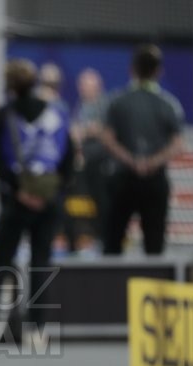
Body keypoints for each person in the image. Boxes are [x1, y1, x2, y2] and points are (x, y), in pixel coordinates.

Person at [0, 59, 74, 344]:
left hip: (15, 200)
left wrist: (19, 190)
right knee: (41, 262)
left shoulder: (3, 115)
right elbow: (69, 156)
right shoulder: (56, 113)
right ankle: (37, 329)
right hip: (49, 200)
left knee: (2, 262)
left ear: (8, 85)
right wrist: (51, 192)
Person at [101, 44, 184, 256]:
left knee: (113, 240)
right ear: (158, 71)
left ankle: (110, 287)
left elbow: (108, 139)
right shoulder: (169, 104)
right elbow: (177, 145)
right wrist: (152, 163)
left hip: (123, 178)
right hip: (155, 181)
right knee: (154, 244)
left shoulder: (117, 101)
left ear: (133, 69)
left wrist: (131, 160)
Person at [70, 68, 111, 250]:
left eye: (87, 86)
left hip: (100, 164)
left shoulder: (104, 106)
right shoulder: (80, 106)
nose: (83, 89)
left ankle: (103, 238)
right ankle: (77, 239)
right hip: (81, 164)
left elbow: (104, 131)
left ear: (97, 87)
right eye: (81, 85)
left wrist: (86, 132)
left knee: (102, 203)